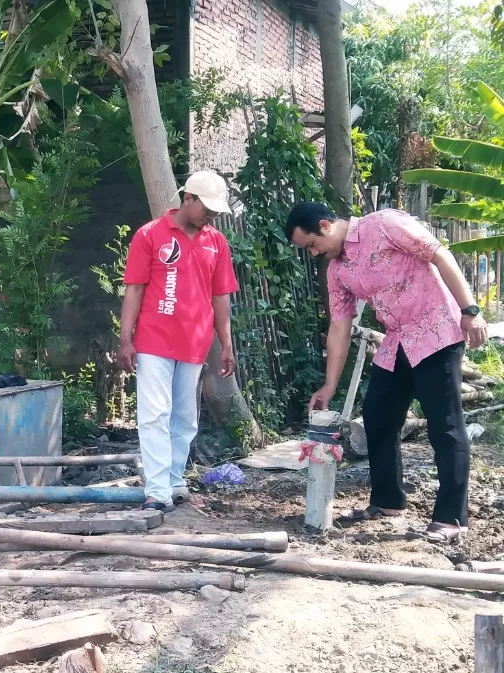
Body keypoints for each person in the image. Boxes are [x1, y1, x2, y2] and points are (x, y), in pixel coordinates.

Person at [285, 202, 487, 542]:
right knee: (378, 416)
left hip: (436, 330)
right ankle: (388, 500)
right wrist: (329, 385)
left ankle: (451, 517)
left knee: (444, 424)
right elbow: (339, 326)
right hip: (397, 340)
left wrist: (470, 310)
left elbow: (440, 255)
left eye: (312, 245)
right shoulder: (337, 270)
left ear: (325, 225)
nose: (314, 253)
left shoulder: (384, 224)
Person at [118, 171, 239, 513]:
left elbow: (220, 297)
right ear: (188, 199)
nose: (211, 216)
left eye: (215, 211)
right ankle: (157, 492)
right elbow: (135, 289)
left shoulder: (216, 242)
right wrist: (125, 339)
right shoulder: (150, 235)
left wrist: (226, 344)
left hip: (195, 342)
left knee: (185, 418)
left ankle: (173, 480)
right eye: (206, 208)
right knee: (154, 414)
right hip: (154, 340)